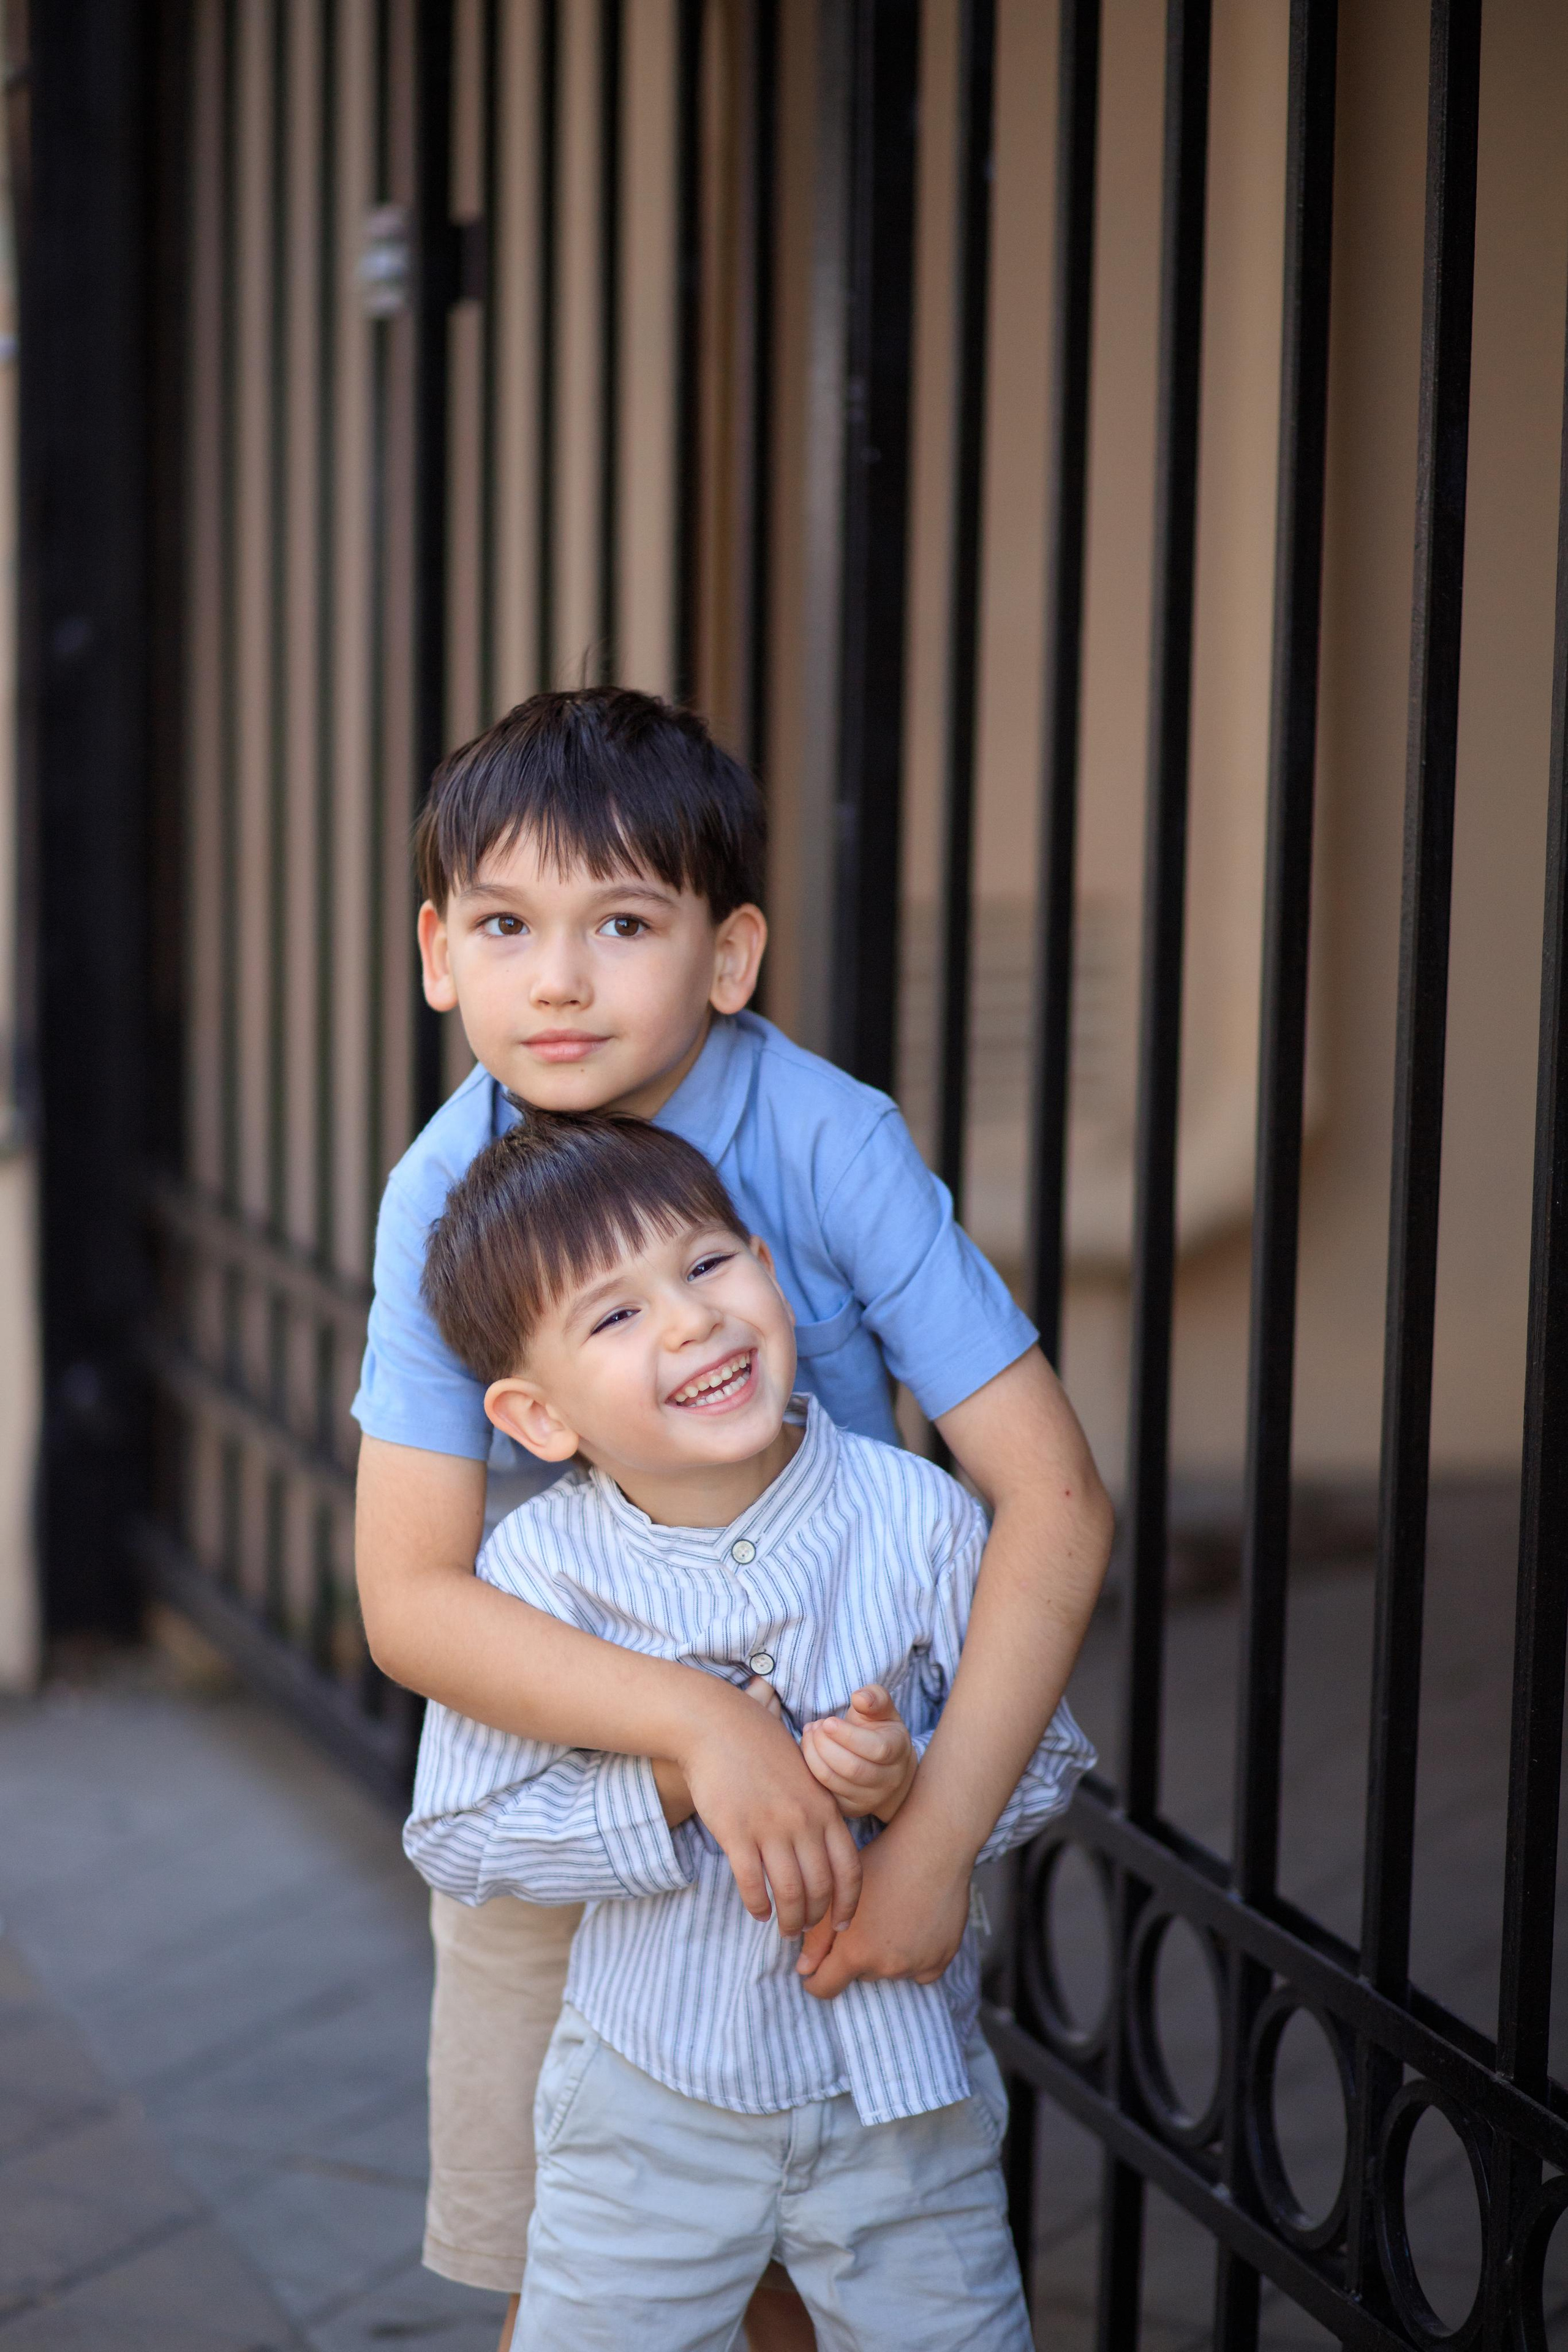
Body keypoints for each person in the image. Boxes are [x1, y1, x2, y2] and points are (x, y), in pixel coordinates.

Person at [352, 688, 1113, 2343]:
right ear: (438, 953)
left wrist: (926, 1853)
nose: (558, 978)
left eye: (622, 921)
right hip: (585, 1784)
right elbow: (410, 1599)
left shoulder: (827, 1140)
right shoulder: (444, 1192)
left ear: (728, 954)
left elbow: (1051, 1499)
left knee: (827, 2238)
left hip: (849, 1803)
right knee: (590, 2261)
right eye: (507, 924)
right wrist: (696, 1728)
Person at [405, 1112, 1096, 2350]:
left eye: (707, 1265)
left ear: (768, 1271)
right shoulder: (539, 1576)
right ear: (537, 1417)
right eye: (613, 1317)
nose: (687, 1321)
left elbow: (1043, 1761)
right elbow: (460, 1833)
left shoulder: (916, 1518)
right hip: (648, 2107)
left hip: (900, 2106)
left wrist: (910, 1786)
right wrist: (673, 1781)